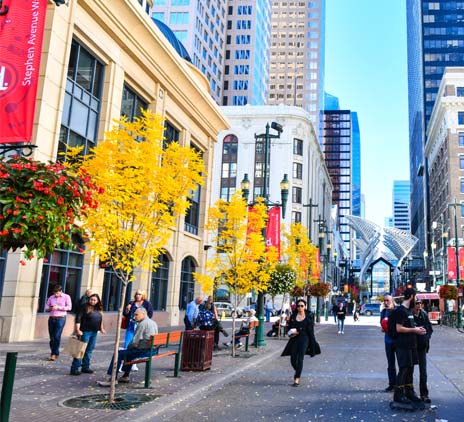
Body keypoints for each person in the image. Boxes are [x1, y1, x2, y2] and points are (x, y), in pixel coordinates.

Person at [98, 307, 158, 386]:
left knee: (118, 353)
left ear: (143, 314)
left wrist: (128, 347)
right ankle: (125, 376)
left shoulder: (142, 324)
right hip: (153, 350)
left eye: (136, 315)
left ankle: (113, 378)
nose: (134, 317)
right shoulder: (152, 322)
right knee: (128, 353)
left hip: (145, 351)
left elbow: (135, 341)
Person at [389, 288, 427, 409]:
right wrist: (414, 330)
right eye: (415, 297)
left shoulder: (409, 311)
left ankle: (409, 392)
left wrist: (418, 329)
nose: (416, 300)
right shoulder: (401, 311)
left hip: (412, 345)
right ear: (411, 296)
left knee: (410, 369)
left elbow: (409, 326)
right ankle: (398, 394)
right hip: (403, 345)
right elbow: (399, 328)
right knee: (404, 368)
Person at [281, 299, 321, 387]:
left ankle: (297, 379)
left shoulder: (309, 315)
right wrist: (290, 333)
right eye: (298, 306)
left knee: (300, 358)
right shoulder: (293, 316)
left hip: (305, 338)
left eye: (302, 306)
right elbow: (289, 327)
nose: (300, 307)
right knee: (293, 359)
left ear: (305, 306)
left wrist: (300, 330)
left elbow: (310, 329)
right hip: (294, 338)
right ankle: (298, 370)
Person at [70, 293, 106, 375]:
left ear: (98, 301)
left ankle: (85, 367)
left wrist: (101, 328)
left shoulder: (99, 308)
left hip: (94, 332)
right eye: (91, 299)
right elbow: (78, 318)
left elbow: (100, 319)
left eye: (94, 300)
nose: (92, 301)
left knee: (89, 349)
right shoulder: (84, 307)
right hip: (85, 331)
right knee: (80, 349)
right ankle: (75, 368)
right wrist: (78, 329)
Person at [413, 299, 433, 403]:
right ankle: (410, 393)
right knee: (409, 370)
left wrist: (426, 337)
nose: (419, 305)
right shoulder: (409, 315)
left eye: (420, 303)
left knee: (423, 372)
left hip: (422, 347)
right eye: (417, 303)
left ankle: (424, 394)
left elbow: (430, 329)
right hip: (411, 347)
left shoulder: (424, 314)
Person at [45, 284, 72, 361]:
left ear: (61, 291)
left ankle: (54, 353)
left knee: (57, 336)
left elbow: (69, 307)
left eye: (57, 293)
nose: (56, 295)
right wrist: (50, 308)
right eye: (54, 293)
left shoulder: (66, 297)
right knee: (52, 337)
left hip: (61, 318)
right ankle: (54, 353)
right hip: (52, 318)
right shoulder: (51, 297)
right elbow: (46, 307)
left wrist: (59, 307)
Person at [380, 294, 396, 392]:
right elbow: (382, 325)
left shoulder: (397, 311)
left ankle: (401, 385)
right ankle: (392, 384)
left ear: (392, 301)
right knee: (391, 364)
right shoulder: (383, 312)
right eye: (384, 301)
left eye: (388, 301)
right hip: (388, 341)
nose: (386, 303)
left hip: (398, 341)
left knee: (402, 364)